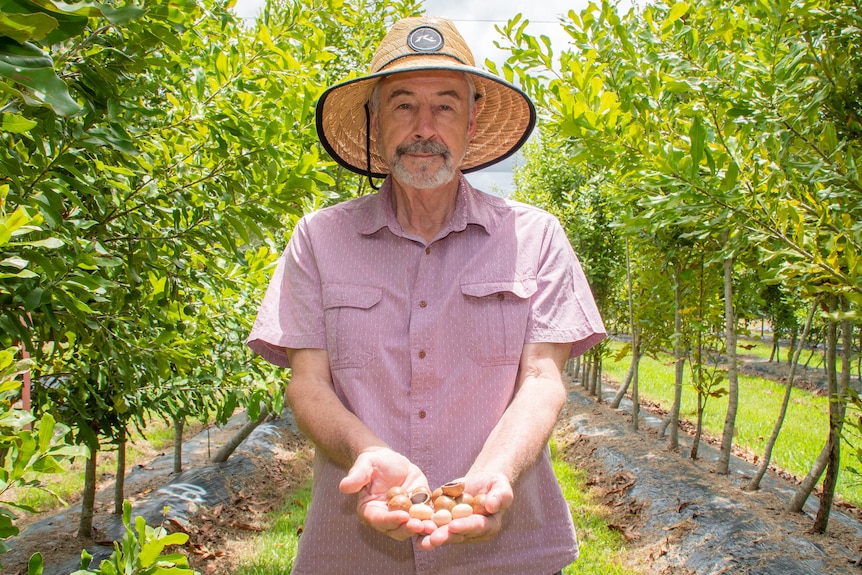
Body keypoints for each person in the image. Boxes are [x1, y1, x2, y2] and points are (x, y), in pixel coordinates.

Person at [247, 16, 606, 575]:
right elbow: (307, 383)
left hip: (509, 555)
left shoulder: (534, 237)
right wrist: (365, 451)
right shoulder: (319, 239)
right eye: (402, 105)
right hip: (352, 555)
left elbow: (543, 380)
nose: (424, 127)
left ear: (471, 118)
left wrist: (497, 472)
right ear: (373, 121)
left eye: (444, 104)